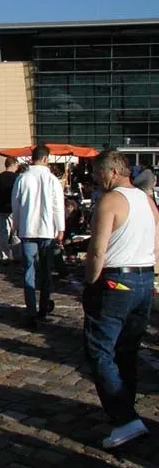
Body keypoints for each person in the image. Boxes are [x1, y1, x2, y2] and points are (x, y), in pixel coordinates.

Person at [83, 150, 158, 449]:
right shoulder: (147, 200)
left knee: (100, 349)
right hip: (143, 278)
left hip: (116, 279)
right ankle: (127, 407)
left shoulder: (111, 201)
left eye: (97, 173)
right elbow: (156, 242)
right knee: (128, 350)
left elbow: (98, 250)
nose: (95, 178)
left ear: (112, 172)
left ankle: (125, 417)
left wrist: (90, 281)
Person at [11, 144, 65, 328]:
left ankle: (31, 310)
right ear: (45, 159)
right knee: (46, 271)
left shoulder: (22, 178)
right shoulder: (52, 179)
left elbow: (15, 205)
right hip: (47, 229)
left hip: (27, 229)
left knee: (29, 270)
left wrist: (16, 226)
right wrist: (60, 228)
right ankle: (43, 307)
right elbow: (58, 205)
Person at [0, 157, 19, 261]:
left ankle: (5, 256)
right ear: (13, 164)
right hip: (14, 208)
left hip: (1, 208)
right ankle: (17, 255)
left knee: (3, 234)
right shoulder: (17, 177)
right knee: (15, 233)